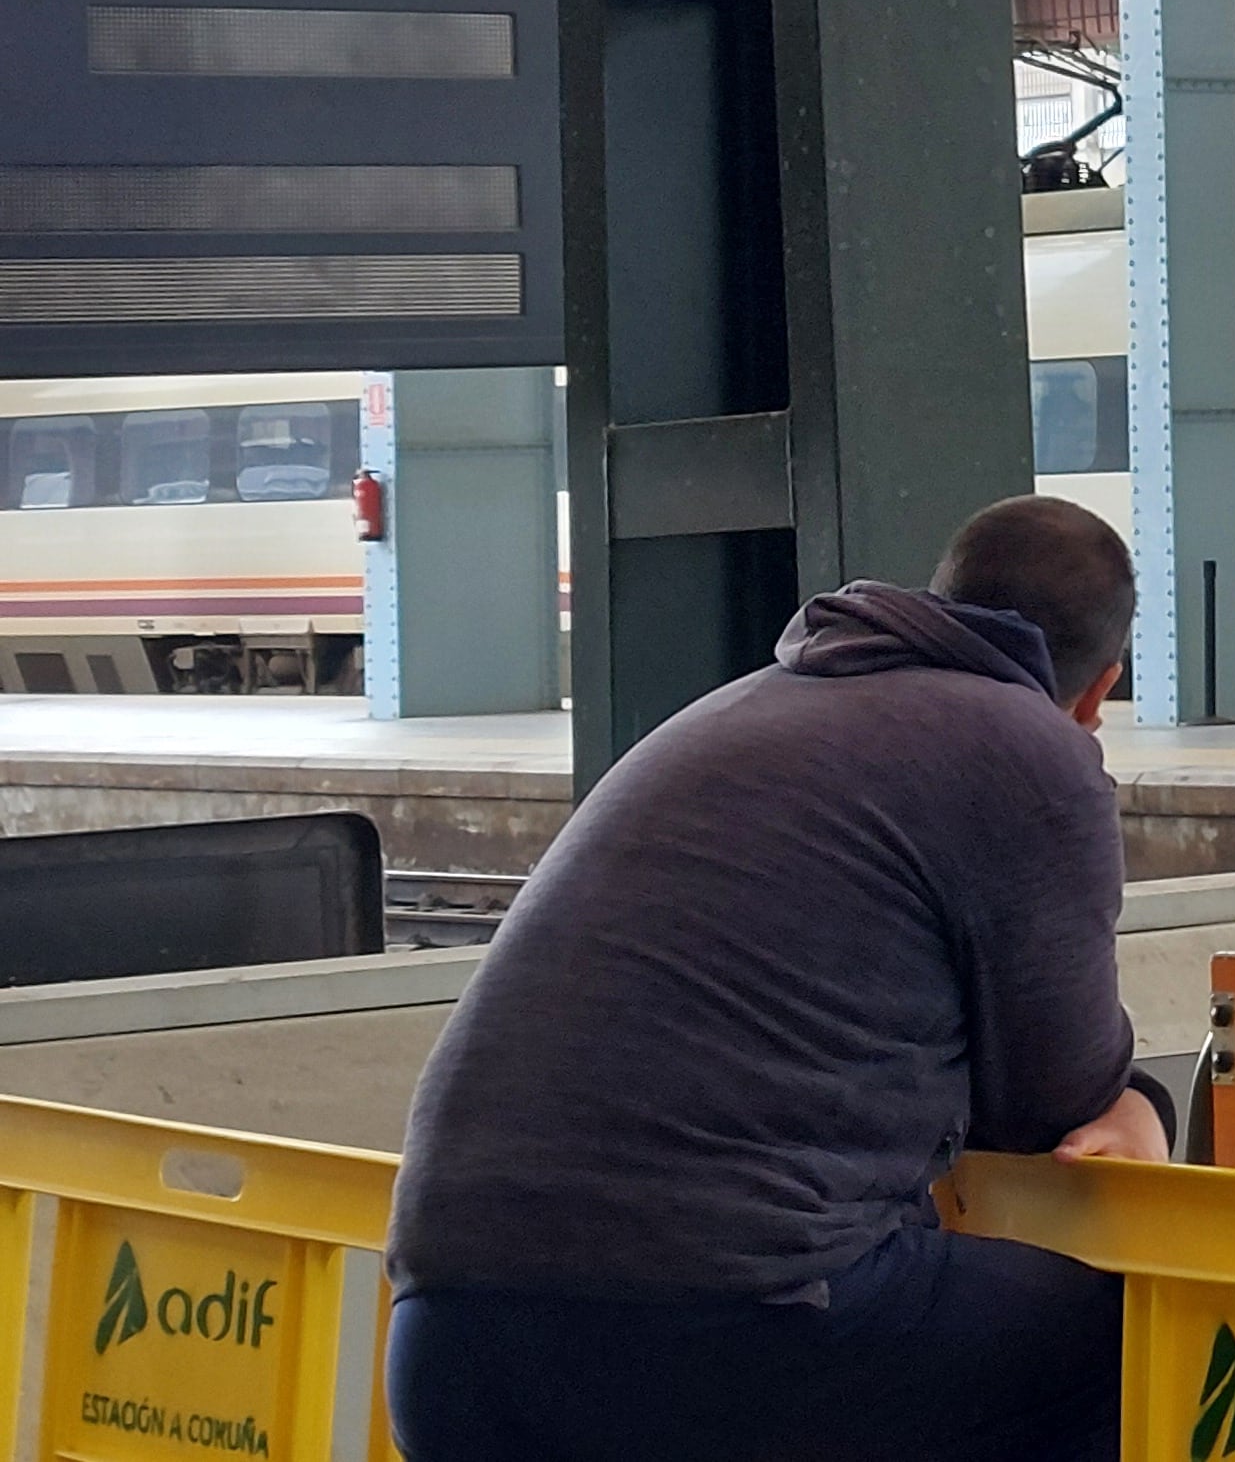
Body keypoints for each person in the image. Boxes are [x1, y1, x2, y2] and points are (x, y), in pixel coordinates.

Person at [387, 497, 1169, 1462]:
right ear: (1099, 692)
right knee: (1150, 1349)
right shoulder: (1031, 748)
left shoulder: (746, 704)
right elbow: (1050, 1101)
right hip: (712, 1325)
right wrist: (1141, 1106)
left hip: (446, 1338)